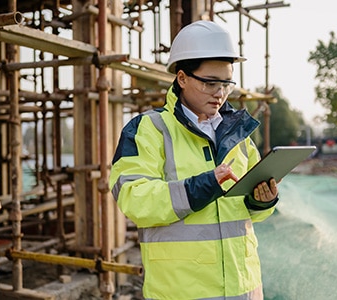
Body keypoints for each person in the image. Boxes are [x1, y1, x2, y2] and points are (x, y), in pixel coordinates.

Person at [110, 20, 279, 300]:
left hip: (244, 290)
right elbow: (134, 199)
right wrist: (202, 186)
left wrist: (262, 201)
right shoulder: (149, 129)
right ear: (182, 78)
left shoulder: (239, 134)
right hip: (181, 292)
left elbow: (250, 215)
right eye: (210, 82)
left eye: (226, 82)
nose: (220, 92)